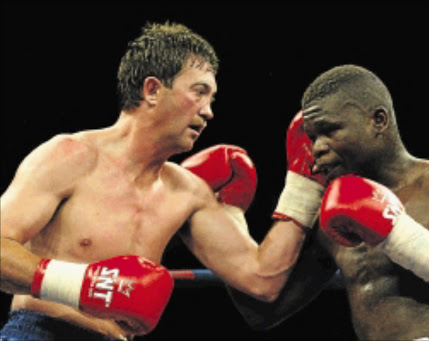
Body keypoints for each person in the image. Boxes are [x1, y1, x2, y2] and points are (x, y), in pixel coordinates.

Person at [0, 22, 317, 340]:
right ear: (152, 90)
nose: (208, 112)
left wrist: (303, 187)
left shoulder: (188, 192)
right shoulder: (71, 156)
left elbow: (262, 280)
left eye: (212, 98)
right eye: (199, 92)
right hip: (41, 332)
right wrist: (86, 286)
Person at [227, 65, 429, 340]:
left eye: (329, 131)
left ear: (378, 121)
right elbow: (262, 313)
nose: (316, 148)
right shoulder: (331, 219)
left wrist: (396, 233)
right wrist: (226, 219)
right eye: (312, 137)